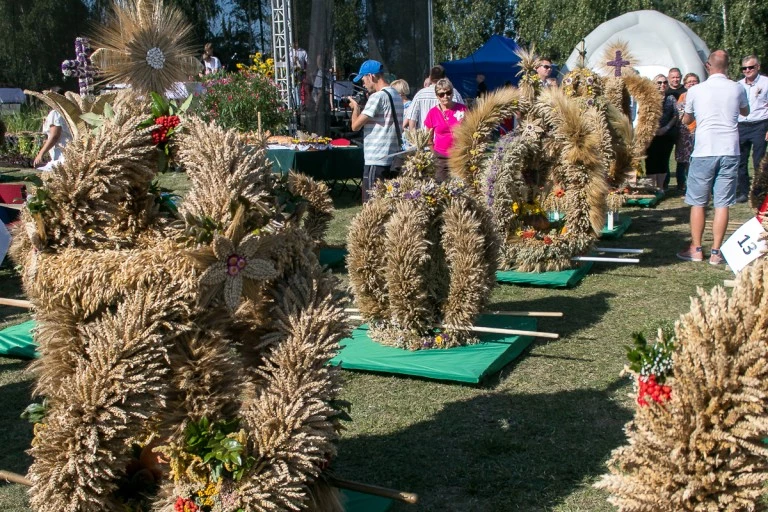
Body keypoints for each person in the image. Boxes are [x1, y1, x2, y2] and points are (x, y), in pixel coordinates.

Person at [677, 50, 749, 265]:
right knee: (722, 203)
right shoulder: (738, 88)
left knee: (698, 203)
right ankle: (716, 252)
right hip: (729, 149)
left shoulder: (696, 90)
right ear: (728, 66)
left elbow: (686, 119)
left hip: (704, 150)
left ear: (708, 66)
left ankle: (697, 249)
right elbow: (745, 111)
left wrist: (688, 115)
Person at [349, 60, 404, 202]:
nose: (363, 84)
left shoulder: (377, 97)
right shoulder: (396, 95)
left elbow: (355, 126)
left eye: (363, 79)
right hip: (393, 158)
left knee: (372, 208)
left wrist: (355, 108)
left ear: (371, 76)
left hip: (376, 159)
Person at [735, 55, 768, 203]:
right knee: (741, 160)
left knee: (758, 161)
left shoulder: (766, 83)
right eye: (744, 68)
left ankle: (759, 192)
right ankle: (743, 191)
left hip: (760, 124)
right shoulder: (738, 85)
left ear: (758, 67)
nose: (747, 70)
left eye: (751, 67)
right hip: (742, 125)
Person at [423, 78, 468, 182]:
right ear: (437, 96)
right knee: (441, 188)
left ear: (452, 92)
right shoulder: (432, 113)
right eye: (441, 94)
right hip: (441, 158)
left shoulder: (462, 109)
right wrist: (434, 155)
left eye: (448, 92)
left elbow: (469, 130)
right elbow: (428, 139)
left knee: (461, 188)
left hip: (459, 156)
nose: (445, 96)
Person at [645, 74, 679, 190]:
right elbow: (644, 114)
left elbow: (675, 115)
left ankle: (660, 188)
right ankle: (651, 188)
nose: (662, 85)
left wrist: (666, 128)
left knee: (663, 160)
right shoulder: (648, 98)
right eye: (659, 83)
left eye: (664, 82)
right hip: (651, 133)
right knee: (651, 160)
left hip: (666, 134)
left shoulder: (671, 98)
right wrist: (652, 129)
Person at [404, 65, 463, 129]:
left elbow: (412, 117)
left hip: (425, 136)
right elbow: (463, 113)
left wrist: (414, 136)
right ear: (444, 77)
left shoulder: (420, 94)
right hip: (450, 135)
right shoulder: (453, 92)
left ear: (430, 78)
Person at [33, 86, 72, 170]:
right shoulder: (67, 112)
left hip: (61, 154)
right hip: (69, 152)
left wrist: (41, 154)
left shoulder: (55, 113)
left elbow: (54, 136)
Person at [673, 73, 700, 192]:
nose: (691, 83)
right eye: (689, 82)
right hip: (684, 133)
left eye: (694, 81)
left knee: (695, 159)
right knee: (682, 159)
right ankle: (681, 184)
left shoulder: (703, 95)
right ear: (685, 84)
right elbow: (679, 114)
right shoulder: (682, 97)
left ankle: (694, 183)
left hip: (699, 131)